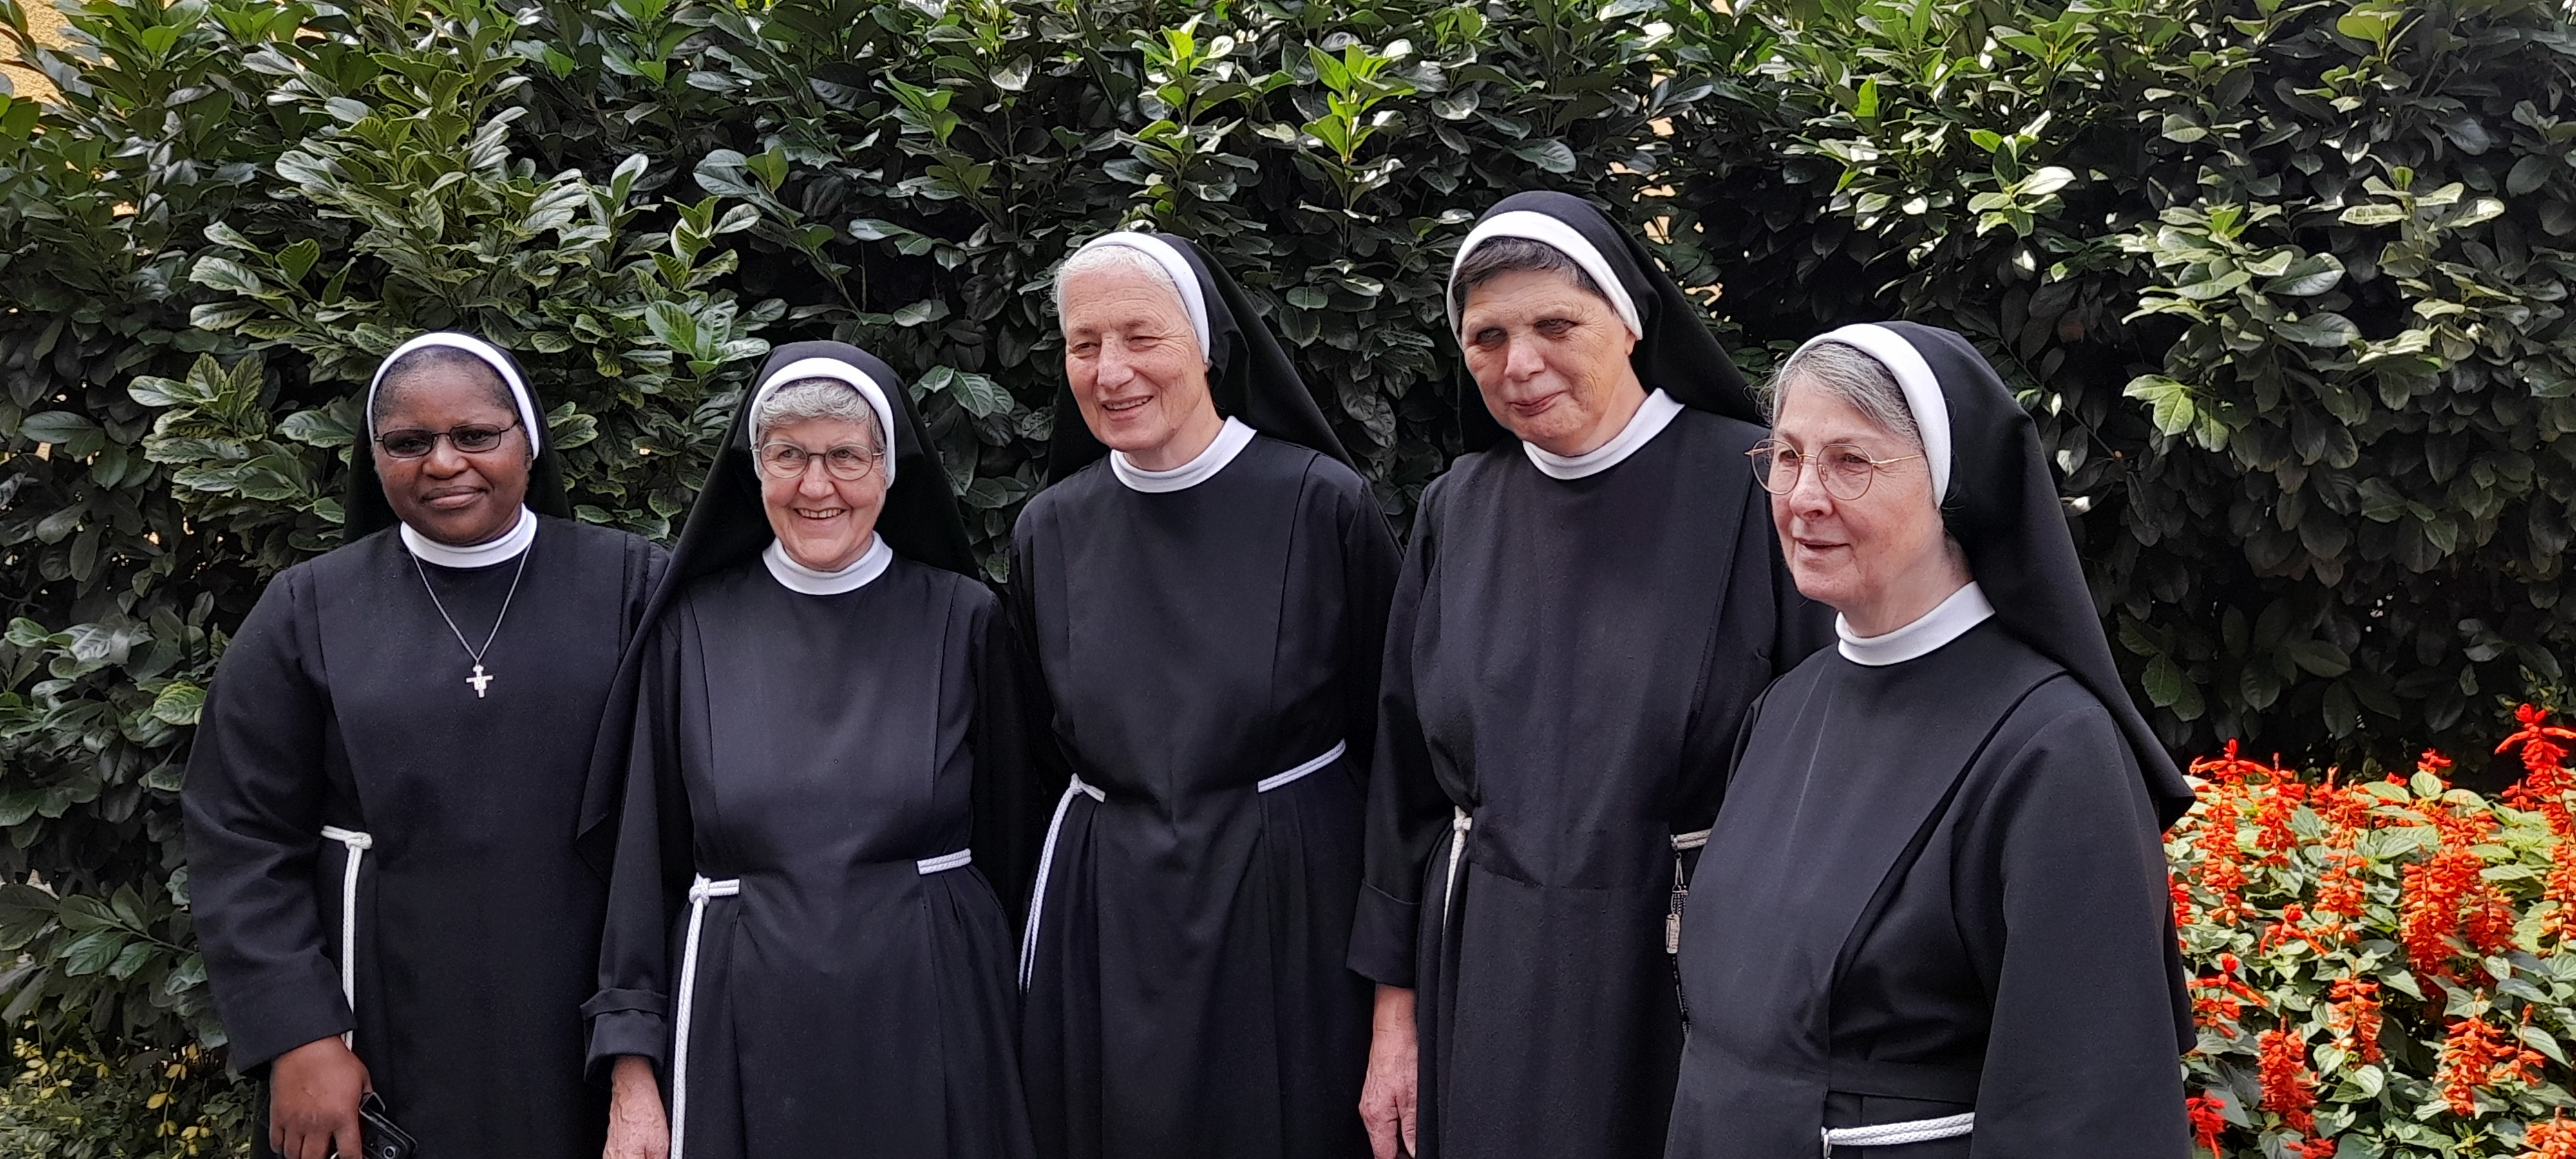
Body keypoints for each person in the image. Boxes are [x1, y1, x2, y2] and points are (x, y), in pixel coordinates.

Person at [1349, 192, 1828, 1159]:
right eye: (1487, 336)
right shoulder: (1458, 509)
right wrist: (1392, 1023)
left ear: (1629, 320)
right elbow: (1404, 781)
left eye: (1555, 324)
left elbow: (1830, 759)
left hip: (1690, 973)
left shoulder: (1753, 491)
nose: (1520, 364)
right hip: (1485, 967)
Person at [1663, 323, 2194, 1156]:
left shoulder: (2055, 751)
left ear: (1953, 485)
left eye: (1850, 461)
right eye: (1789, 456)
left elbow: (2085, 1114)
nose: (1803, 495)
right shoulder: (1784, 709)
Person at [185, 332, 666, 1159]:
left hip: (580, 1002)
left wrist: (640, 1044)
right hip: (377, 1010)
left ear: (529, 442)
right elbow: (239, 833)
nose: (444, 463)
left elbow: (678, 817)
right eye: (409, 443)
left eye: (475, 435)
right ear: (376, 460)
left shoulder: (631, 586)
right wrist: (300, 1036)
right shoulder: (310, 607)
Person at [583, 341, 1034, 1159]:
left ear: (890, 468)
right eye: (788, 455)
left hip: (932, 1011)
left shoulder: (965, 619)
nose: (816, 486)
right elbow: (643, 860)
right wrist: (632, 1071)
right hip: (737, 1017)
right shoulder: (692, 628)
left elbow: (1013, 843)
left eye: (844, 457)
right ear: (753, 469)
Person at [1013, 231, 1399, 1159]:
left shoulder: (1322, 505)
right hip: (1108, 918)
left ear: (1209, 344)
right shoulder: (1049, 530)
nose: (1111, 372)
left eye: (1142, 337)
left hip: (1292, 907)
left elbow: (1396, 741)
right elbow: (1033, 749)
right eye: (1083, 344)